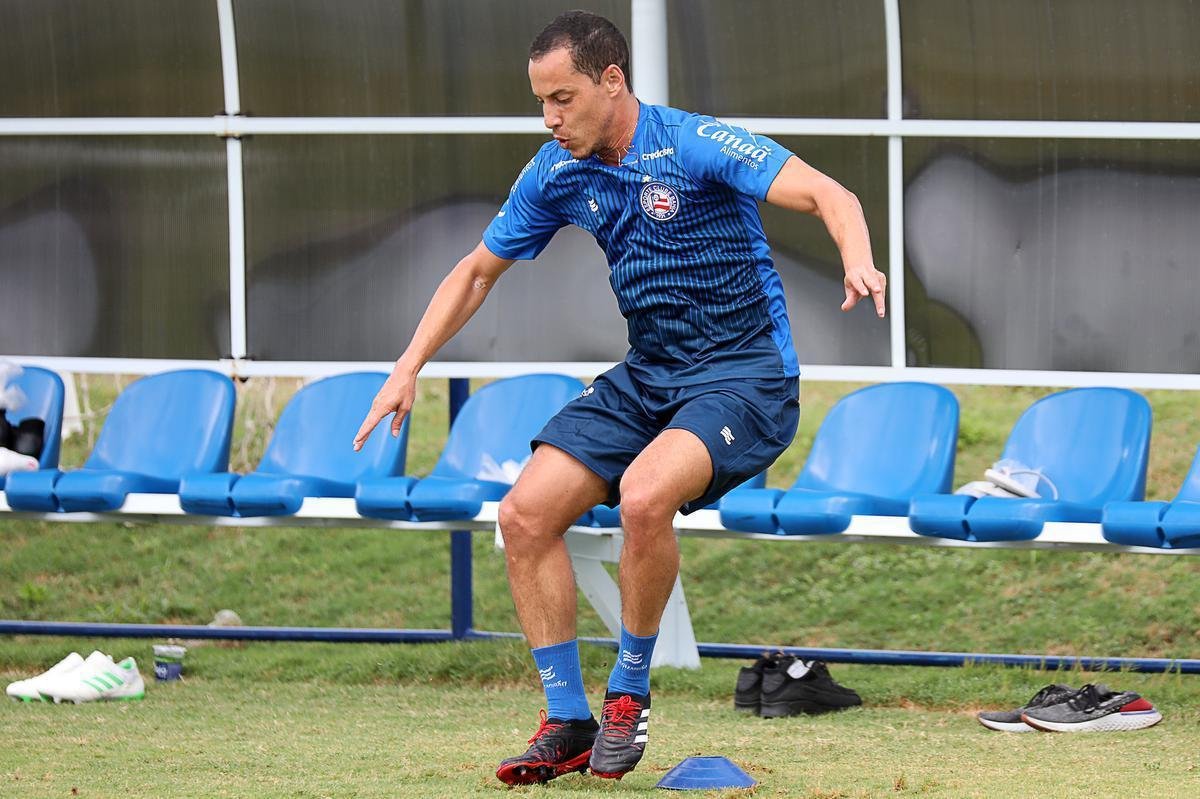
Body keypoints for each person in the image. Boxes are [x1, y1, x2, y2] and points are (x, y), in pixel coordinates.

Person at [352, 10, 885, 786]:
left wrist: (858, 260)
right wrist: (407, 366)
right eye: (540, 101)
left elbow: (828, 194)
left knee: (644, 495)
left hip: (745, 374)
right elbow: (474, 272)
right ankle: (568, 721)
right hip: (651, 373)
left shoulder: (694, 143)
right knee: (524, 514)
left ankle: (628, 697)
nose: (550, 117)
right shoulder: (556, 171)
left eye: (563, 98)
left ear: (612, 80)